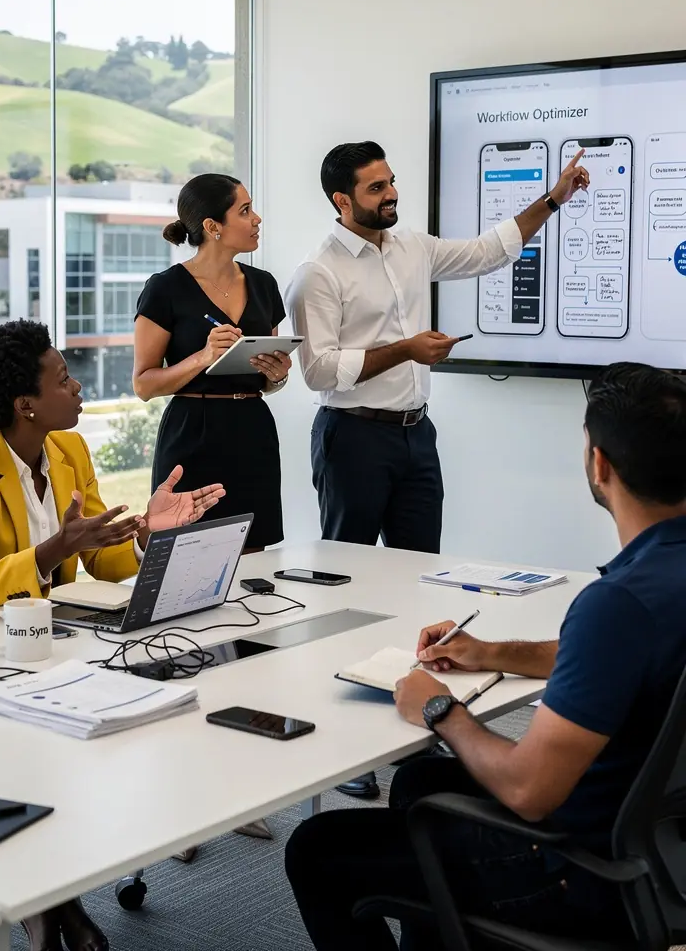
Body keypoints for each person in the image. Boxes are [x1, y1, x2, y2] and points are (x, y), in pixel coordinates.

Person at [285, 362, 686, 950]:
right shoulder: (652, 592)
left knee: (318, 848)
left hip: (581, 875)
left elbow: (529, 791)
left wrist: (441, 710)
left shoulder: (618, 604)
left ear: (599, 465)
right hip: (664, 845)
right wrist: (489, 652)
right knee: (422, 779)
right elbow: (617, 661)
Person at [0, 319, 224, 951]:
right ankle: (49, 908)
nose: (77, 388)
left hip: (37, 643)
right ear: (25, 404)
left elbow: (102, 561)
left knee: (71, 740)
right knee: (16, 753)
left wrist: (148, 535)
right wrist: (50, 552)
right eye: (64, 379)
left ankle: (50, 902)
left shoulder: (69, 453)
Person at [287, 140, 588, 799]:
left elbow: (487, 250)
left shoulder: (411, 246)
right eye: (375, 188)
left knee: (417, 587)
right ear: (342, 200)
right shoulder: (319, 272)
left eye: (391, 182)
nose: (391, 195)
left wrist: (554, 200)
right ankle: (348, 751)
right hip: (351, 439)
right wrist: (406, 350)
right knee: (352, 591)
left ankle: (414, 723)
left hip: (415, 437)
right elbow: (318, 369)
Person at [134, 173, 291, 553]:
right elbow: (144, 384)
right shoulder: (165, 288)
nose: (257, 219)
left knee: (253, 556)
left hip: (253, 431)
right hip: (192, 434)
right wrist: (203, 356)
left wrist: (277, 377)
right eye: (246, 210)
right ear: (212, 226)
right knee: (186, 556)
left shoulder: (264, 284)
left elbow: (269, 375)